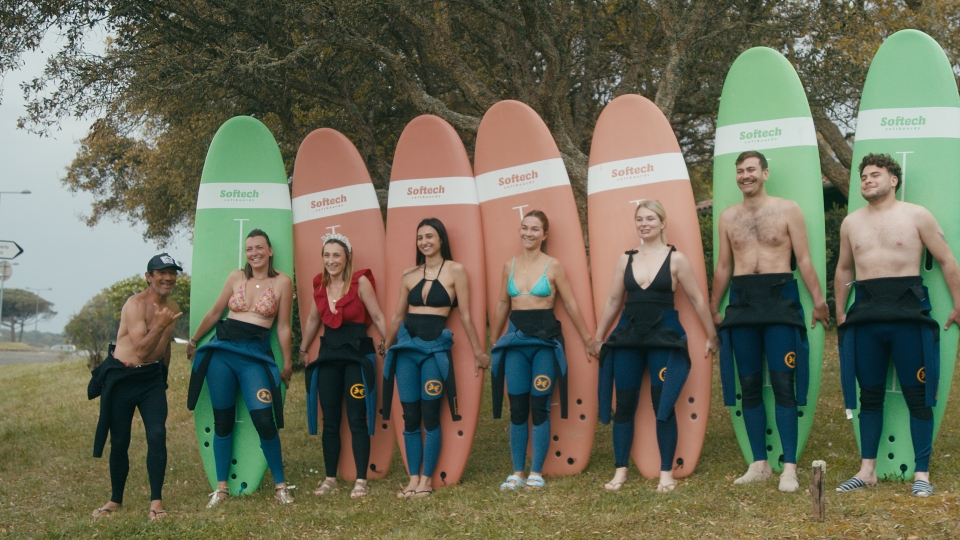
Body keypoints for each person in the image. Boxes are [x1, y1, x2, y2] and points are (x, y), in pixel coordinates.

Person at [834, 153, 960, 497]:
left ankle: (922, 474)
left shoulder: (917, 215)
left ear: (893, 180)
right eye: (863, 176)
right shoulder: (851, 223)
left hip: (908, 317)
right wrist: (841, 312)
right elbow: (844, 268)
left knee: (918, 396)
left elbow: (947, 260)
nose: (867, 180)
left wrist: (958, 303)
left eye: (875, 174)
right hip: (866, 318)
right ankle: (867, 471)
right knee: (869, 396)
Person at [710, 151, 829, 493]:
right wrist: (713, 307)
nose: (745, 175)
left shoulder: (788, 209)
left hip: (780, 301)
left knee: (782, 384)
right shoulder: (728, 217)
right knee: (748, 384)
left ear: (765, 173)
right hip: (743, 303)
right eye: (740, 171)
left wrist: (819, 301)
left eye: (751, 169)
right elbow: (724, 266)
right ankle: (759, 464)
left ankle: (789, 467)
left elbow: (804, 260)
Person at [593, 201, 719, 493]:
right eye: (639, 219)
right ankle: (620, 471)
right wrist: (598, 337)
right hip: (629, 338)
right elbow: (613, 300)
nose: (644, 224)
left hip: (663, 337)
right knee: (624, 404)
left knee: (663, 405)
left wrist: (712, 335)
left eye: (650, 219)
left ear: (663, 224)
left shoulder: (676, 259)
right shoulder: (626, 259)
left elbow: (698, 299)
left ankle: (666, 473)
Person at [488, 210, 597, 491]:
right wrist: (494, 340)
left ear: (544, 234)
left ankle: (536, 472)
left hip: (545, 343)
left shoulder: (553, 266)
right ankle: (517, 472)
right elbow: (502, 304)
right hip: (516, 343)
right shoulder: (509, 265)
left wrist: (587, 339)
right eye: (525, 227)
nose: (528, 233)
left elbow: (570, 304)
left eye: (535, 229)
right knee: (517, 408)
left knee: (539, 407)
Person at [382, 218, 490, 498]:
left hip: (434, 352)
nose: (424, 242)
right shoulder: (409, 274)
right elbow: (397, 316)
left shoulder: (456, 271)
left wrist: (478, 352)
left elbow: (465, 316)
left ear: (441, 239)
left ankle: (426, 480)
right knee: (410, 416)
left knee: (430, 416)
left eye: (429, 236)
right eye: (420, 237)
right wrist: (386, 346)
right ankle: (412, 479)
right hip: (407, 351)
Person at [187, 228, 295, 506]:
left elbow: (283, 327)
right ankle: (221, 488)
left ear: (270, 251)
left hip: (255, 357)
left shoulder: (283, 282)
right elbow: (215, 312)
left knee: (264, 420)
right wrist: (194, 340)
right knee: (222, 421)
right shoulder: (236, 277)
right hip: (222, 353)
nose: (254, 253)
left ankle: (281, 486)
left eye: (259, 248)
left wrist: (287, 362)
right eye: (249, 249)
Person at [89, 253, 183, 520]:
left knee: (157, 434)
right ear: (149, 276)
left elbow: (164, 347)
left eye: (172, 273)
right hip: (122, 378)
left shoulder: (172, 306)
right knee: (119, 441)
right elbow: (141, 350)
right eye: (161, 273)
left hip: (151, 379)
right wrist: (161, 325)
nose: (168, 278)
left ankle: (156, 502)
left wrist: (164, 376)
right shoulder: (135, 305)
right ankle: (115, 499)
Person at [300, 233, 387, 499]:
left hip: (357, 356)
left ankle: (361, 480)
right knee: (330, 420)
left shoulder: (360, 282)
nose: (331, 260)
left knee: (357, 417)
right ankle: (330, 478)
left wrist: (391, 343)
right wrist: (303, 348)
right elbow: (313, 320)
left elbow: (377, 316)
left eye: (336, 255)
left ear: (347, 257)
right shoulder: (319, 284)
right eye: (326, 255)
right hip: (329, 355)